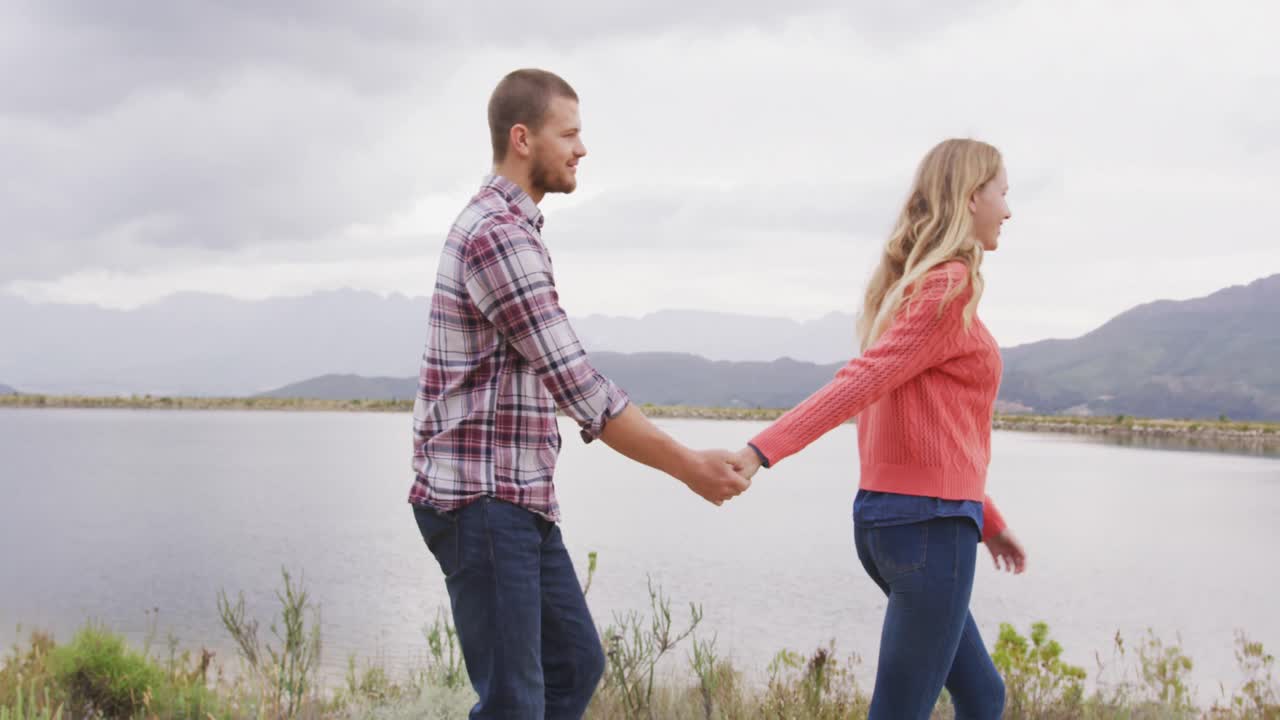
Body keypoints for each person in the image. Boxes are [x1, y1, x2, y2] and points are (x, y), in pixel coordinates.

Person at [407, 68, 749, 720]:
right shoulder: (497, 236)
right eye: (569, 134)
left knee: (574, 666)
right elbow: (578, 385)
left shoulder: (514, 229)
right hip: (482, 501)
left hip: (516, 499)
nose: (582, 149)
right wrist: (689, 466)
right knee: (514, 702)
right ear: (522, 139)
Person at [733, 138, 1027, 720]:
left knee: (983, 695)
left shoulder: (915, 288)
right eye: (1003, 193)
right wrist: (760, 451)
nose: (1009, 210)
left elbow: (935, 429)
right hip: (928, 527)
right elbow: (862, 382)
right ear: (972, 197)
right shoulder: (950, 287)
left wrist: (989, 521)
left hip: (898, 521)